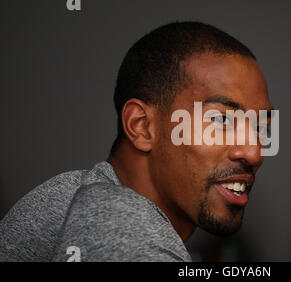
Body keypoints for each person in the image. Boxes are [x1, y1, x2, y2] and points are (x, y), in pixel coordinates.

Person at [0, 21, 273, 261]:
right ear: (141, 126)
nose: (254, 152)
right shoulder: (118, 225)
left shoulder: (79, 194)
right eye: (222, 121)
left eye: (261, 127)